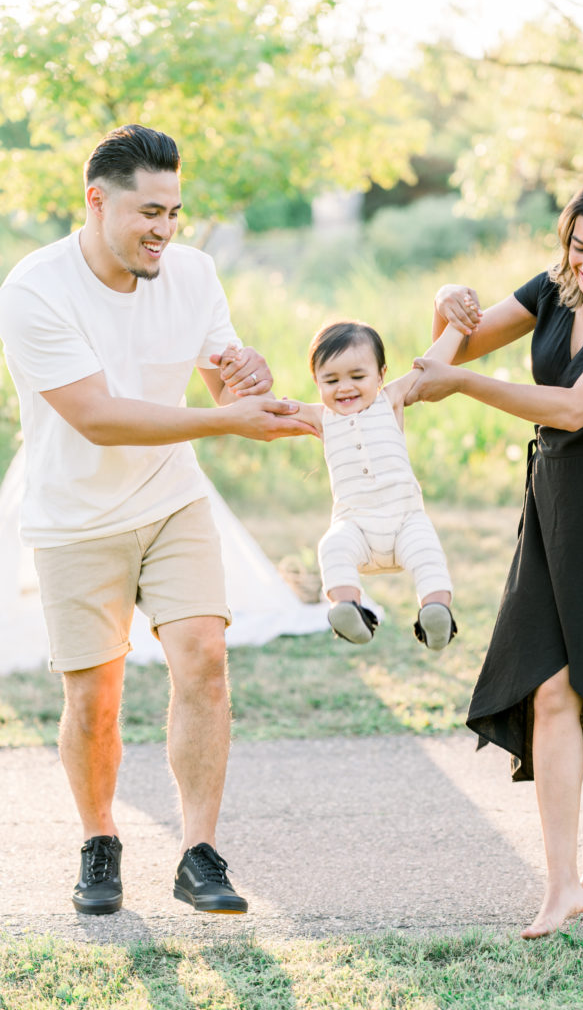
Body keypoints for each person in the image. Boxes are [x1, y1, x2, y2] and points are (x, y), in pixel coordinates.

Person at [0, 124, 314, 917]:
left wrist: (245, 381)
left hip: (173, 500)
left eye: (175, 213)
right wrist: (230, 424)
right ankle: (98, 840)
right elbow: (98, 417)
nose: (165, 231)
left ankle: (198, 853)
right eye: (149, 213)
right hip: (74, 518)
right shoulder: (34, 288)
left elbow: (222, 387)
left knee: (204, 659)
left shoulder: (193, 273)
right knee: (94, 699)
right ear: (96, 202)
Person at [407, 173, 583, 938]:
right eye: (578, 246)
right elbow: (444, 353)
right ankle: (558, 883)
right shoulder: (552, 288)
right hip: (554, 505)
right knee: (549, 689)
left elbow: (570, 408)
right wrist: (445, 305)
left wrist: (460, 381)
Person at [292, 319, 458, 649]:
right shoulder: (318, 416)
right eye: (331, 379)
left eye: (357, 376)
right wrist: (239, 377)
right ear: (316, 381)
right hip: (356, 527)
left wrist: (456, 325)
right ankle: (347, 609)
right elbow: (269, 413)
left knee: (427, 554)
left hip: (405, 520)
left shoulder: (390, 399)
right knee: (331, 547)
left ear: (381, 375)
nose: (344, 388)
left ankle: (436, 611)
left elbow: (431, 366)